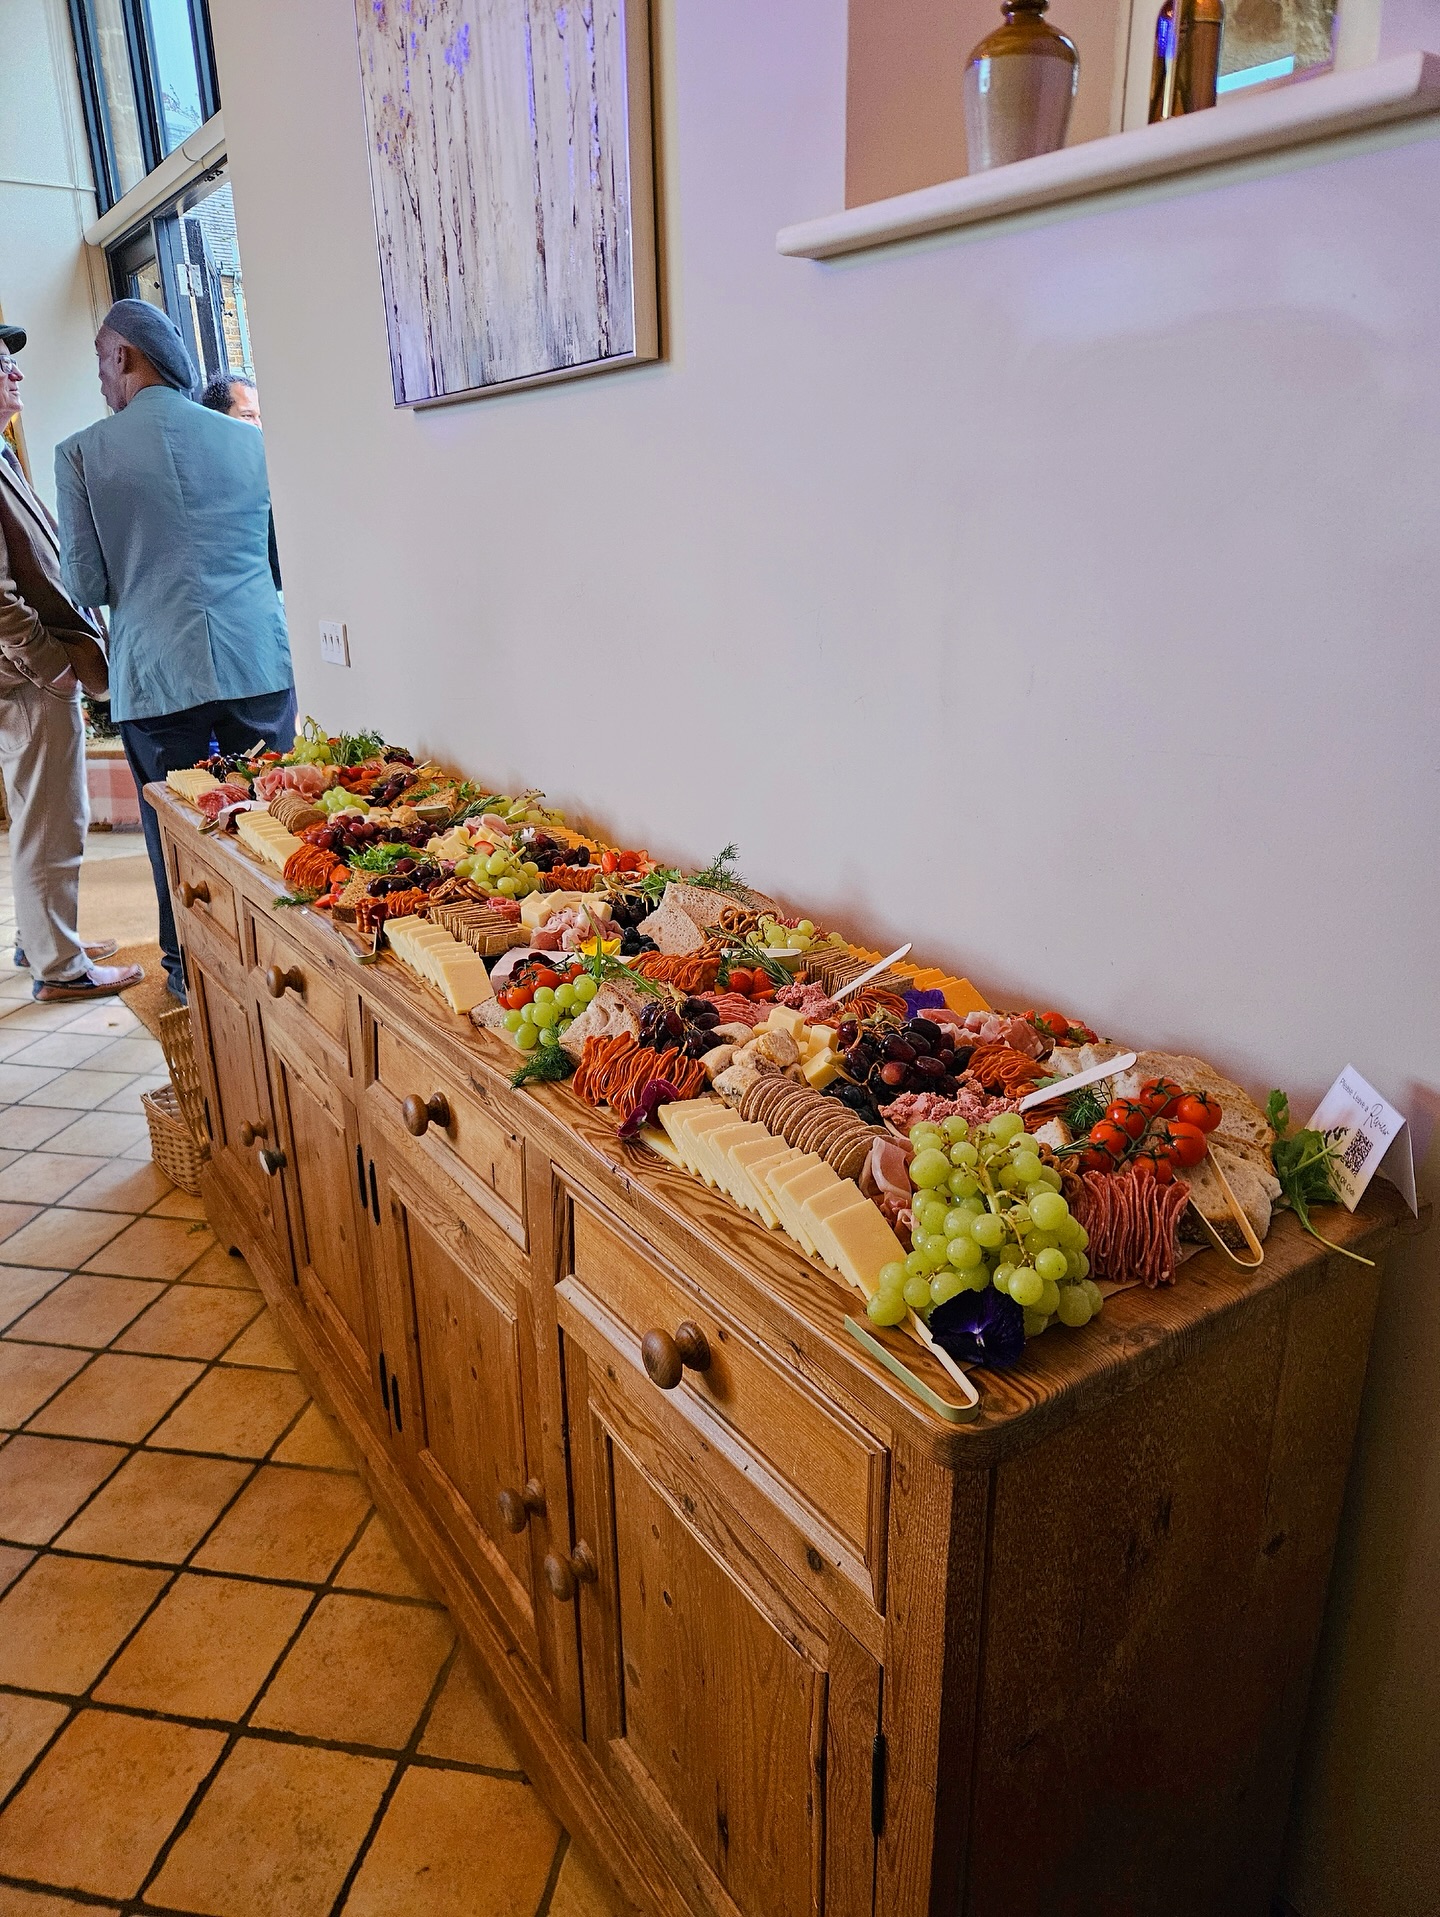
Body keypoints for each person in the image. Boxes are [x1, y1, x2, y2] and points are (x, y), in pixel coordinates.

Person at [55, 300, 295, 1003]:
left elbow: (86, 583)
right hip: (257, 662)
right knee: (273, 822)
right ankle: (284, 971)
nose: (100, 377)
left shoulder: (80, 453)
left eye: (100, 359)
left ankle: (193, 975)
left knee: (180, 837)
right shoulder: (250, 442)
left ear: (123, 356)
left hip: (158, 677)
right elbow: (278, 562)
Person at [0, 325, 142, 1000]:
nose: (16, 376)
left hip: (34, 674)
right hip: (29, 678)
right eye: (3, 366)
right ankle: (60, 968)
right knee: (52, 818)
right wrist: (49, 663)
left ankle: (46, 938)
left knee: (49, 813)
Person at [199, 374, 280, 589]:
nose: (258, 426)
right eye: (247, 416)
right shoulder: (202, 479)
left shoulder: (267, 468)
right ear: (217, 418)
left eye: (260, 416)